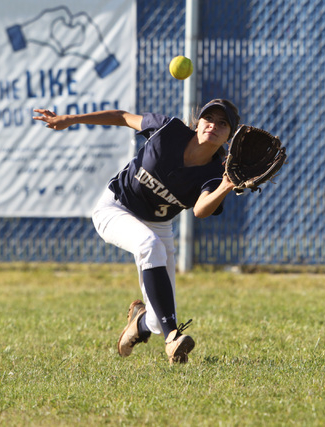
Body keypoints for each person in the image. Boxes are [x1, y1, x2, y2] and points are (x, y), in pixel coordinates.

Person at [32, 99, 240, 364]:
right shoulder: (169, 129)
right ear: (197, 122)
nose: (213, 125)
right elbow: (121, 116)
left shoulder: (215, 171)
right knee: (149, 246)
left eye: (223, 124)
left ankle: (140, 322)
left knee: (157, 317)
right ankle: (173, 339)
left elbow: (200, 210)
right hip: (115, 207)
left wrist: (225, 187)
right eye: (208, 118)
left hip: (159, 224)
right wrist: (70, 119)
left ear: (229, 135)